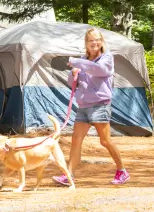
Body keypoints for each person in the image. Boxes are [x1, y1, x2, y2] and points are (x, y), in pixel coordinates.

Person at [52, 28, 130, 186]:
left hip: (100, 105)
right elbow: (71, 83)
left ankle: (122, 171)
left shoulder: (107, 58)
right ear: (86, 44)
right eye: (90, 40)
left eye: (97, 39)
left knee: (105, 141)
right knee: (76, 139)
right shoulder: (82, 60)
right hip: (83, 106)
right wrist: (73, 73)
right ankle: (69, 175)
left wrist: (75, 62)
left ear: (101, 42)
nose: (94, 42)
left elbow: (98, 70)